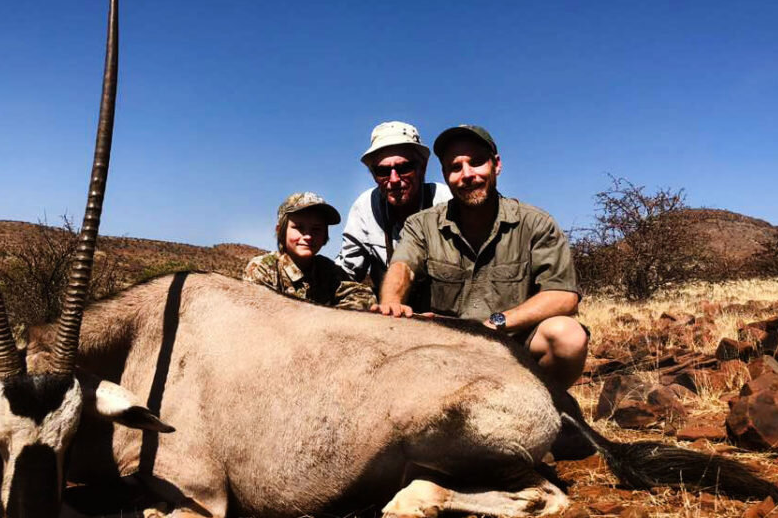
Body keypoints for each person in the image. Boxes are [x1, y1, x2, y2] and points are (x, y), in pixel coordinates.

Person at [373, 125, 588, 389]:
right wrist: (392, 302)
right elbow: (403, 266)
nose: (467, 175)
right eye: (455, 167)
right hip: (446, 347)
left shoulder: (536, 223)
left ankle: (550, 414)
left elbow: (563, 296)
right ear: (445, 175)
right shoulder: (421, 225)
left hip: (511, 345)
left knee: (567, 336)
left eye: (476, 163)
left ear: (496, 165)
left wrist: (495, 325)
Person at [335, 121, 451, 300]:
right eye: (383, 171)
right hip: (390, 316)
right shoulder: (365, 206)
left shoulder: (446, 201)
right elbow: (347, 272)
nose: (394, 179)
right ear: (374, 175)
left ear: (423, 166)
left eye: (404, 168)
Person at [245, 192, 376, 310]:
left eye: (316, 229)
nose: (308, 236)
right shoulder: (262, 269)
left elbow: (364, 295)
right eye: (299, 227)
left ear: (325, 235)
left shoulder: (328, 270)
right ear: (280, 231)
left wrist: (333, 317)